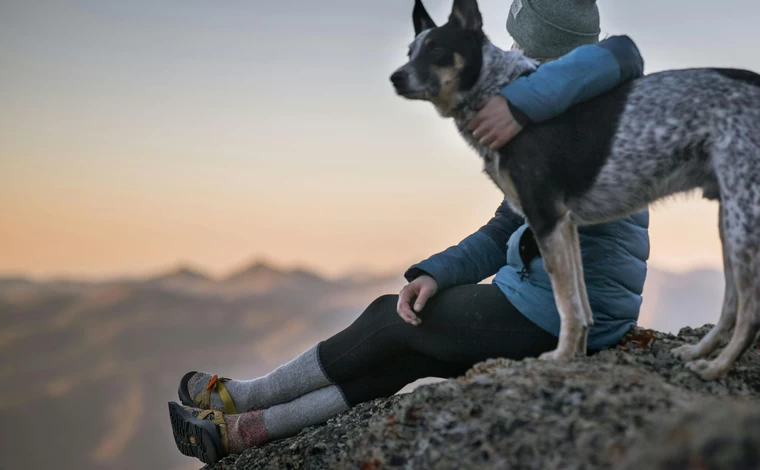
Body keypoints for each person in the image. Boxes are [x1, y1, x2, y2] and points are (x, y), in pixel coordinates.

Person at [169, 0, 650, 464]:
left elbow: (624, 56)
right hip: (547, 297)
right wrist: (436, 274)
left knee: (392, 320)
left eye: (519, 47)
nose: (508, 56)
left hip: (568, 311)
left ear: (550, 53)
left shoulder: (589, 111)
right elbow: (506, 223)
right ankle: (241, 433)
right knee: (406, 356)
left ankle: (242, 397)